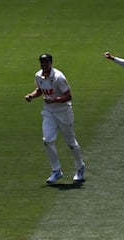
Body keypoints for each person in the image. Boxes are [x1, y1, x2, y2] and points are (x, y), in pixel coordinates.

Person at [25, 54, 86, 184]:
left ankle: (80, 167)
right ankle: (56, 171)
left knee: (71, 143)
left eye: (46, 62)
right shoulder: (38, 75)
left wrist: (54, 100)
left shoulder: (59, 77)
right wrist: (31, 95)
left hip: (64, 112)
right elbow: (40, 90)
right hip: (48, 112)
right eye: (42, 62)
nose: (44, 64)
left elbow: (69, 96)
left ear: (51, 63)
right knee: (47, 140)